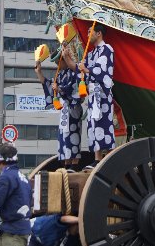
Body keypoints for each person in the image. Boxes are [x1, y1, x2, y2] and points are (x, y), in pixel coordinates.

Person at [63, 23, 115, 169]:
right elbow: (77, 68)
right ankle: (97, 158)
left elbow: (102, 69)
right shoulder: (91, 54)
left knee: (103, 123)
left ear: (99, 33)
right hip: (93, 95)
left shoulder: (107, 49)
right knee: (93, 125)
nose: (87, 34)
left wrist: (86, 69)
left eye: (89, 31)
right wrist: (67, 57)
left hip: (102, 93)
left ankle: (110, 156)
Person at [35, 47, 83, 171]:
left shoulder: (74, 71)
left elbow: (74, 87)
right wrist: (39, 72)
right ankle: (67, 163)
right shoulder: (60, 74)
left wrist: (60, 89)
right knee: (64, 136)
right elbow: (48, 85)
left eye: (58, 62)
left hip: (73, 107)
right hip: (64, 110)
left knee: (73, 134)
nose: (57, 65)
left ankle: (75, 163)